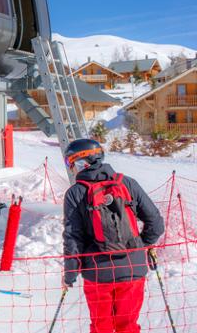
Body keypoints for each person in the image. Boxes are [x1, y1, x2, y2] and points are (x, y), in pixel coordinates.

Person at [62, 138, 164, 333]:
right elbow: (156, 223)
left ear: (82, 162)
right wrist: (139, 245)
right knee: (128, 326)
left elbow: (73, 239)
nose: (71, 169)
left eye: (71, 163)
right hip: (133, 269)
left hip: (97, 273)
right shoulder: (127, 183)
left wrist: (70, 275)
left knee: (102, 328)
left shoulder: (75, 193)